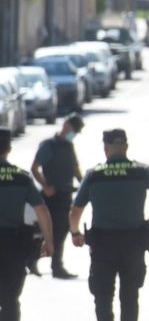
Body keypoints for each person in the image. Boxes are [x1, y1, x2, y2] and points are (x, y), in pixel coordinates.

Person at [69, 128, 149, 321]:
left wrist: (75, 233)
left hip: (103, 243)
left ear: (106, 149)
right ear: (126, 147)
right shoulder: (141, 171)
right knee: (130, 296)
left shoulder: (94, 174)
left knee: (102, 293)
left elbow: (75, 210)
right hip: (133, 242)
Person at [0, 129, 52, 321]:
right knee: (10, 298)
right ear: (9, 149)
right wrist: (49, 241)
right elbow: (41, 210)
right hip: (13, 244)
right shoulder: (21, 177)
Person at [31, 114, 84, 279]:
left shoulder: (69, 146)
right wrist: (45, 186)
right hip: (51, 197)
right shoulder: (49, 145)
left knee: (61, 232)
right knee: (44, 231)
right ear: (66, 125)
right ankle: (32, 260)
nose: (74, 134)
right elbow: (35, 168)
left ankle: (57, 267)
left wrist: (84, 185)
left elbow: (75, 169)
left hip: (65, 195)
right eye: (74, 129)